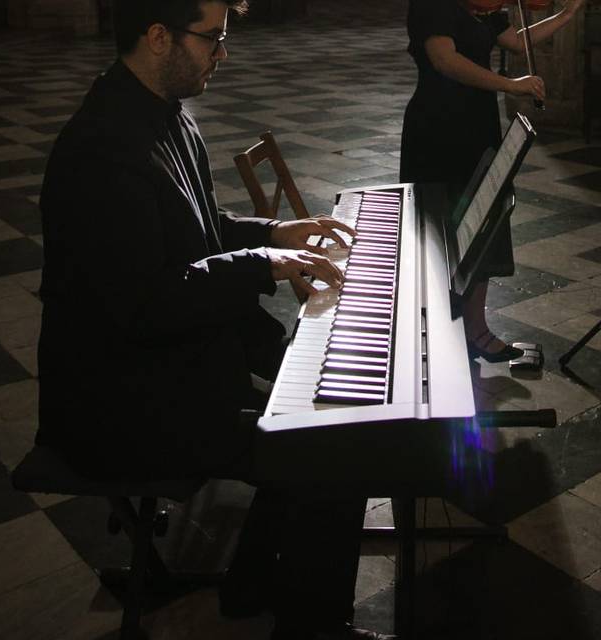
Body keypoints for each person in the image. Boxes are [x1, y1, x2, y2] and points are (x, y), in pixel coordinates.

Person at [36, 1, 392, 638]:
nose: (222, 55)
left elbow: (196, 230)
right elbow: (145, 302)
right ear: (156, 37)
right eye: (212, 40)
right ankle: (311, 625)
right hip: (119, 402)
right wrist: (261, 263)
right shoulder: (100, 151)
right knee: (335, 448)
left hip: (168, 367)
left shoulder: (163, 112)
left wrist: (277, 230)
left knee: (321, 421)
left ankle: (250, 585)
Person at [400, 0, 587, 362]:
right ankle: (433, 329)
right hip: (438, 126)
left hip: (476, 124)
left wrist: (566, 14)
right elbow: (444, 60)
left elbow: (518, 41)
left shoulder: (483, 7)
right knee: (438, 230)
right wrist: (508, 84)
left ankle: (475, 330)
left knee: (484, 222)